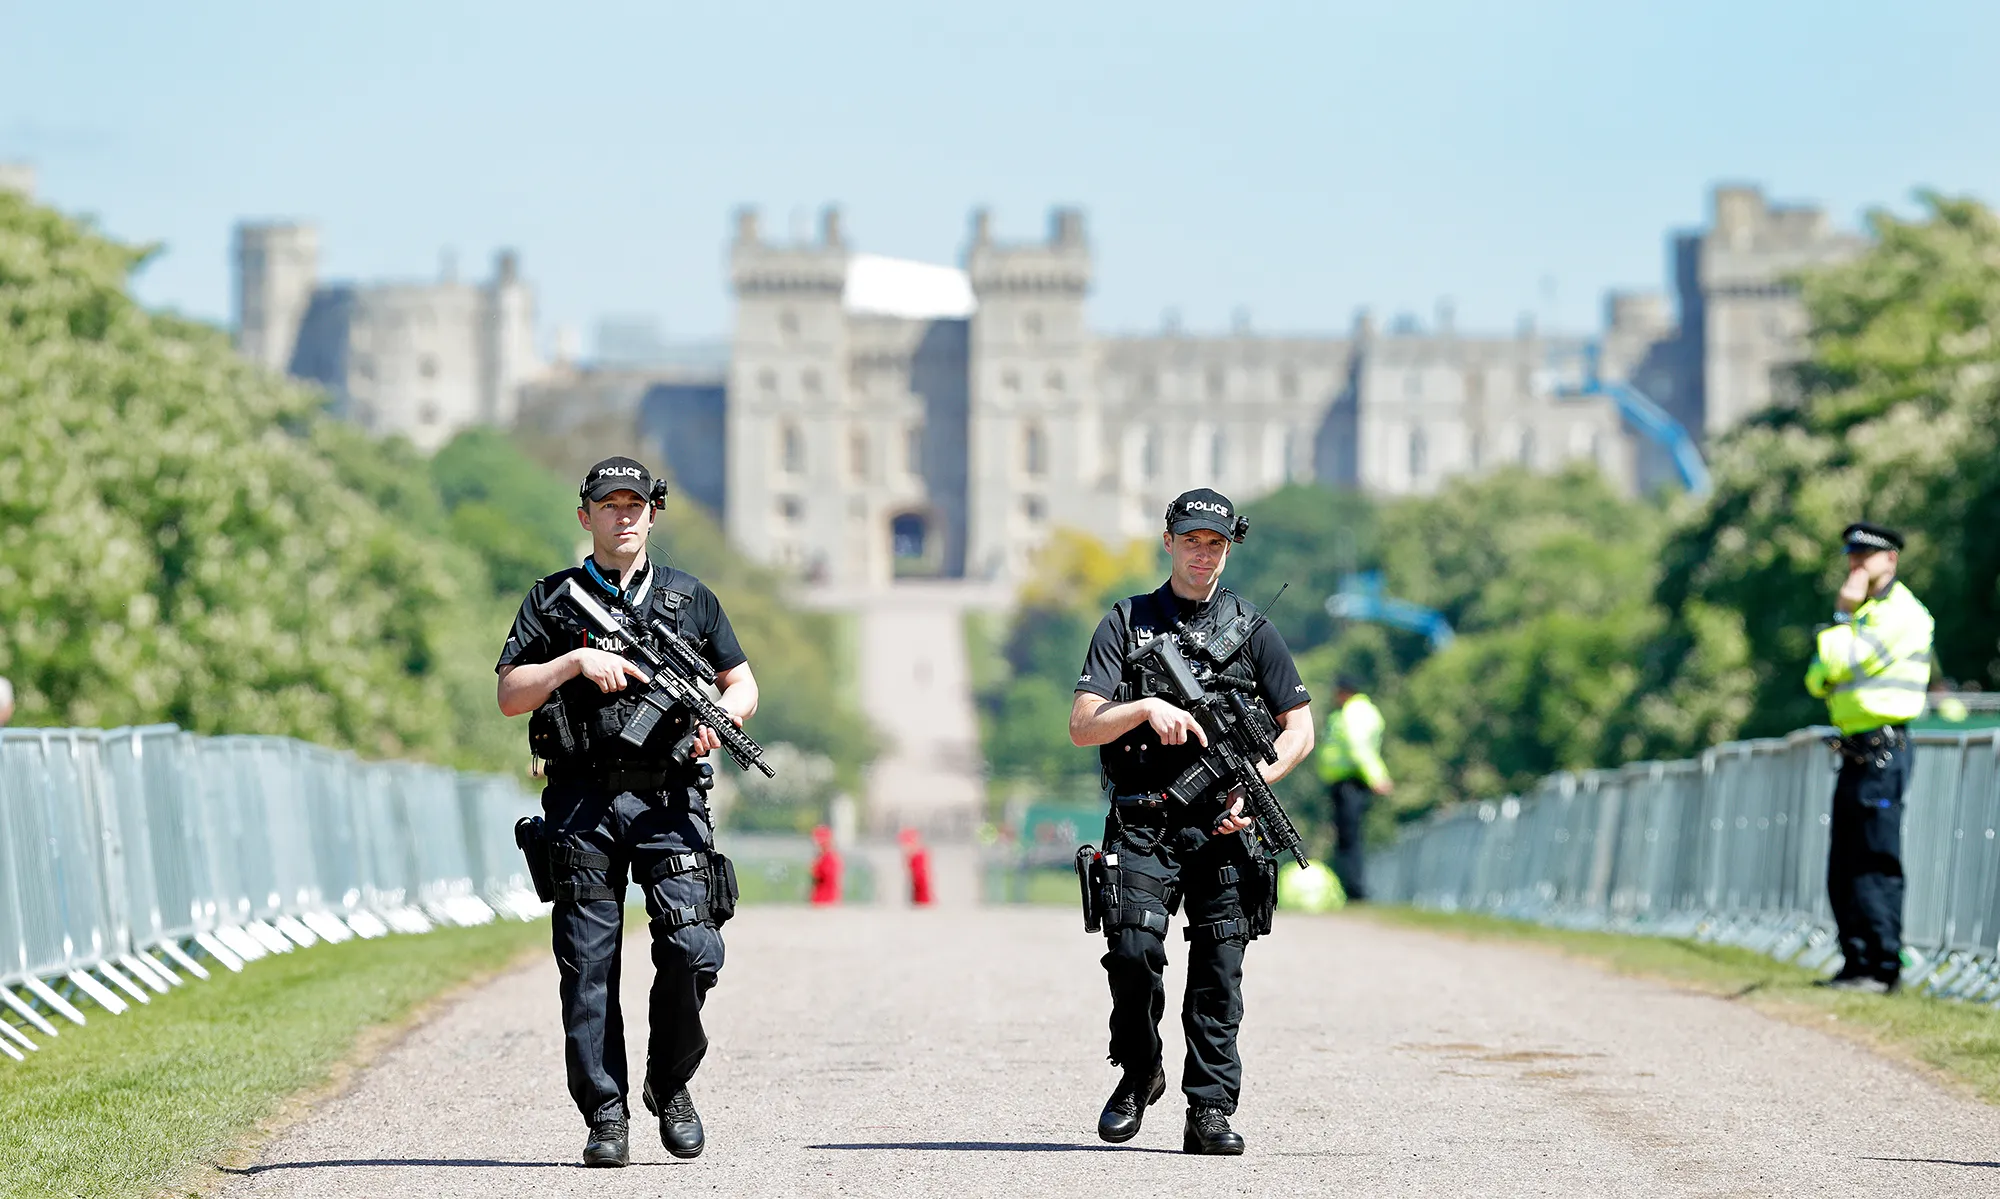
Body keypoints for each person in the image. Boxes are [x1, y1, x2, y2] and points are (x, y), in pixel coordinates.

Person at [496, 456, 759, 1166]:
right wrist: (570, 665)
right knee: (586, 966)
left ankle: (668, 1083)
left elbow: (742, 682)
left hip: (669, 795)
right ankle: (605, 1114)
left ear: (652, 514)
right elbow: (511, 692)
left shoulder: (688, 598)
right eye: (609, 504)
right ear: (585, 515)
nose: (623, 515)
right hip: (581, 797)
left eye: (635, 504)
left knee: (693, 947)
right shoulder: (553, 600)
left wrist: (720, 718)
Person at [1069, 488, 1315, 1155]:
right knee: (1132, 952)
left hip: (1223, 829)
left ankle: (1208, 1109)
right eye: (1191, 541)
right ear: (1170, 541)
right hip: (1144, 819)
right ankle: (1139, 1071)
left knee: (1218, 971)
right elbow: (1082, 724)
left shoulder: (1253, 628)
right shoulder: (1126, 621)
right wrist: (1144, 706)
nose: (1203, 555)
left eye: (1215, 544)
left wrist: (1256, 783)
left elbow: (1301, 729)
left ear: (1227, 549)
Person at [1804, 521, 1934, 995]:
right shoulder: (1867, 614)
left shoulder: (1901, 614)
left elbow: (1835, 666)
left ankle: (1883, 966)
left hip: (1884, 750)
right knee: (1845, 861)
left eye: (1866, 555)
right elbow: (1815, 680)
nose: (1856, 563)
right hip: (1857, 751)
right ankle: (1855, 961)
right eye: (1852, 555)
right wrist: (1844, 631)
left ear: (1890, 560)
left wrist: (1841, 618)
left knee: (1876, 860)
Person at [1314, 675, 1391, 901]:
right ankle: (1351, 889)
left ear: (1344, 691)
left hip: (1352, 783)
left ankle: (1355, 891)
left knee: (1349, 838)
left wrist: (1378, 777)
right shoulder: (1354, 711)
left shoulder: (1353, 713)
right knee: (1348, 837)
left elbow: (1359, 748)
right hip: (1347, 783)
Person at [899, 827, 934, 906]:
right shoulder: (914, 856)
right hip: (917, 895)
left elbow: (919, 877)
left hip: (921, 897)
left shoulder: (918, 856)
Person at [809, 824, 842, 905]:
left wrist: (815, 866)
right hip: (820, 899)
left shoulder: (829, 858)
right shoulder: (823, 857)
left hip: (827, 901)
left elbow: (820, 877)